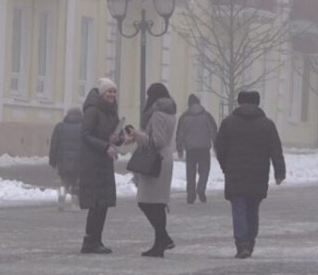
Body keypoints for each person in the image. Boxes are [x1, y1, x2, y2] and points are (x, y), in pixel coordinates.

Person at [215, 91, 286, 259]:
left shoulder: (228, 123)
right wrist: (279, 172)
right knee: (253, 209)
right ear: (258, 103)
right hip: (258, 174)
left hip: (235, 174)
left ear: (239, 102)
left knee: (238, 208)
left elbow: (220, 148)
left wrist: (226, 166)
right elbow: (276, 149)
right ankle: (250, 241)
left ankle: (242, 244)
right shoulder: (267, 125)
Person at [128, 83, 178, 257]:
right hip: (165, 160)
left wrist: (137, 135)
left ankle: (163, 238)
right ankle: (159, 244)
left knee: (146, 202)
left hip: (156, 161)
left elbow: (157, 141)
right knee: (158, 204)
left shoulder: (157, 115)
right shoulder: (170, 113)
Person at [79, 77, 124, 254]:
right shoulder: (92, 111)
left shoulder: (112, 112)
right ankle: (89, 241)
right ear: (102, 93)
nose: (112, 94)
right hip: (92, 163)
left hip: (105, 162)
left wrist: (118, 139)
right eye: (109, 91)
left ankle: (97, 240)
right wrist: (105, 146)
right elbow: (85, 135)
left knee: (103, 203)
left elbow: (113, 135)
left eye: (114, 91)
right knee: (95, 203)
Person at [176, 94, 218, 204]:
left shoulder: (184, 117)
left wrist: (179, 148)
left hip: (190, 149)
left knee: (190, 172)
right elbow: (213, 131)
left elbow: (179, 134)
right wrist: (216, 145)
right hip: (204, 148)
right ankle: (201, 188)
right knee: (204, 170)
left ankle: (191, 194)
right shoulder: (206, 115)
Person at [49, 107, 83, 211]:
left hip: (63, 161)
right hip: (79, 161)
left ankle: (61, 200)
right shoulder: (84, 127)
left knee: (64, 182)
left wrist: (52, 160)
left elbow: (54, 145)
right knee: (77, 183)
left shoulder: (60, 127)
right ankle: (75, 204)